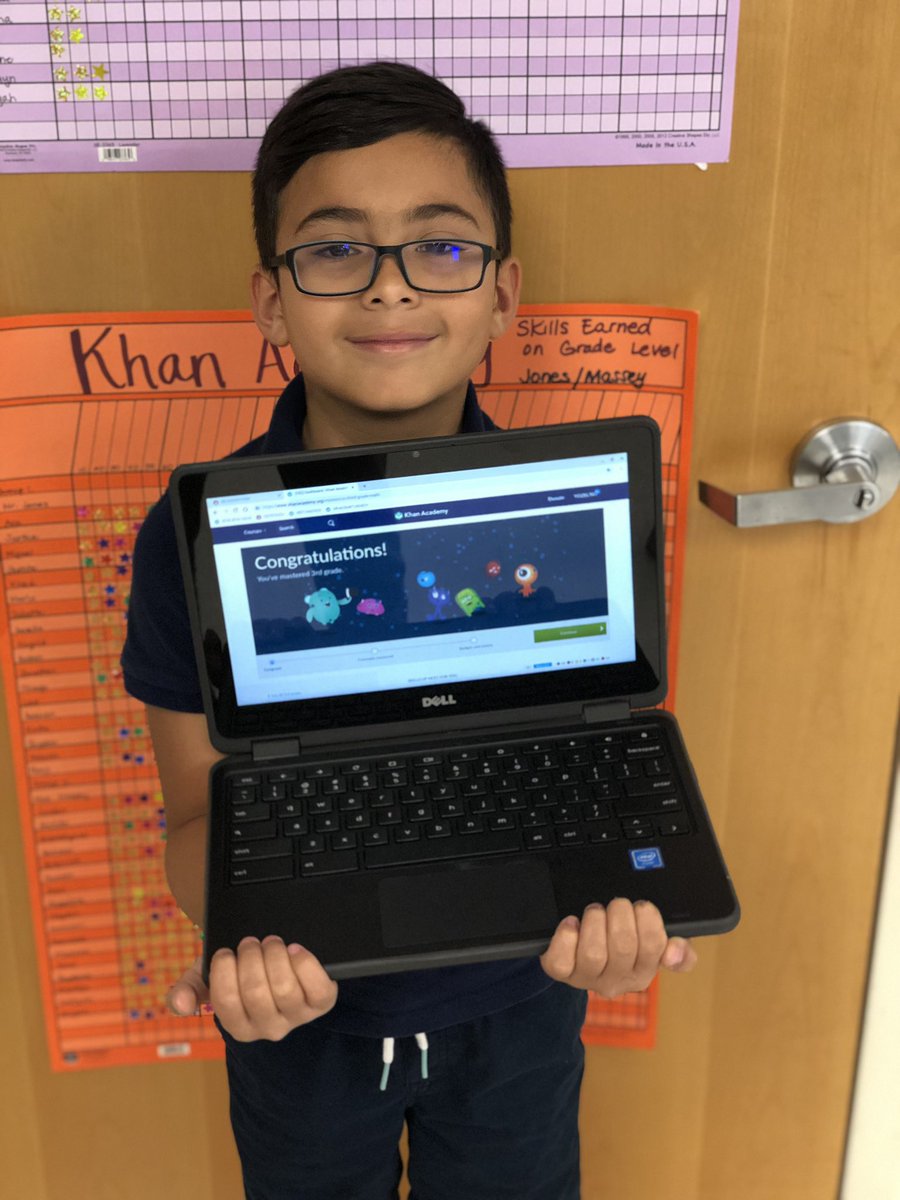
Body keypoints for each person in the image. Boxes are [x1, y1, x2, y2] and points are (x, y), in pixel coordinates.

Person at [121, 61, 697, 1200]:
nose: (389, 290)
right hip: (304, 1017)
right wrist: (244, 932)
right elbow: (196, 818)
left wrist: (622, 910)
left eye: (439, 246)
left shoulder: (563, 513)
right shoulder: (192, 534)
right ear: (271, 299)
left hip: (523, 1003)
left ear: (503, 292)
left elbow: (598, 758)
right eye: (336, 250)